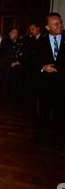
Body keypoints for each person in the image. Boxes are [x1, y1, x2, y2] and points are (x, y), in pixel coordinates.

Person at [34, 13, 65, 150]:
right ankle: (41, 136)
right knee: (43, 111)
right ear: (47, 27)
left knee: (60, 113)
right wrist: (43, 67)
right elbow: (31, 62)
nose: (60, 26)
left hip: (62, 85)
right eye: (56, 24)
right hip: (45, 85)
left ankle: (58, 139)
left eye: (61, 23)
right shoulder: (40, 42)